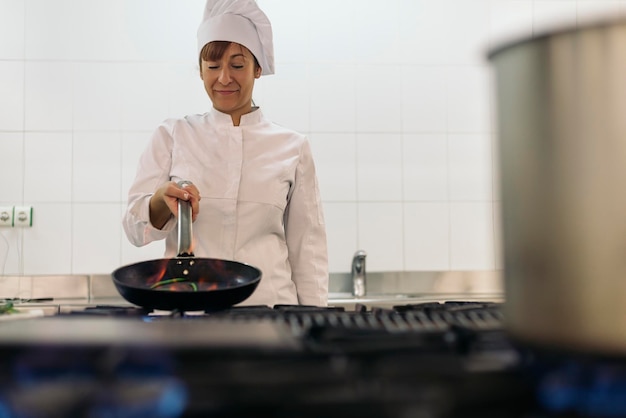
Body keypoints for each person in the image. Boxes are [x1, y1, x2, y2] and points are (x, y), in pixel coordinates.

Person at [123, 0, 329, 307]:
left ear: (258, 68)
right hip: (191, 314)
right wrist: (160, 200)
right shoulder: (173, 135)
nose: (224, 78)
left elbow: (307, 248)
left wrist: (314, 322)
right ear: (201, 70)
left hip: (269, 313)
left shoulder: (292, 146)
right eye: (213, 66)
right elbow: (135, 230)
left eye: (237, 65)